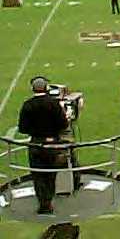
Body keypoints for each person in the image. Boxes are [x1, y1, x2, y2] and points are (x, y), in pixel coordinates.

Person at [18, 77, 69, 214]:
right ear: (46, 88)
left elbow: (22, 128)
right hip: (53, 144)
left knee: (38, 175)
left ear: (32, 89)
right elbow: (64, 124)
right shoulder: (53, 103)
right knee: (51, 174)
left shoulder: (27, 105)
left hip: (36, 143)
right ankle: (48, 200)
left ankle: (43, 202)